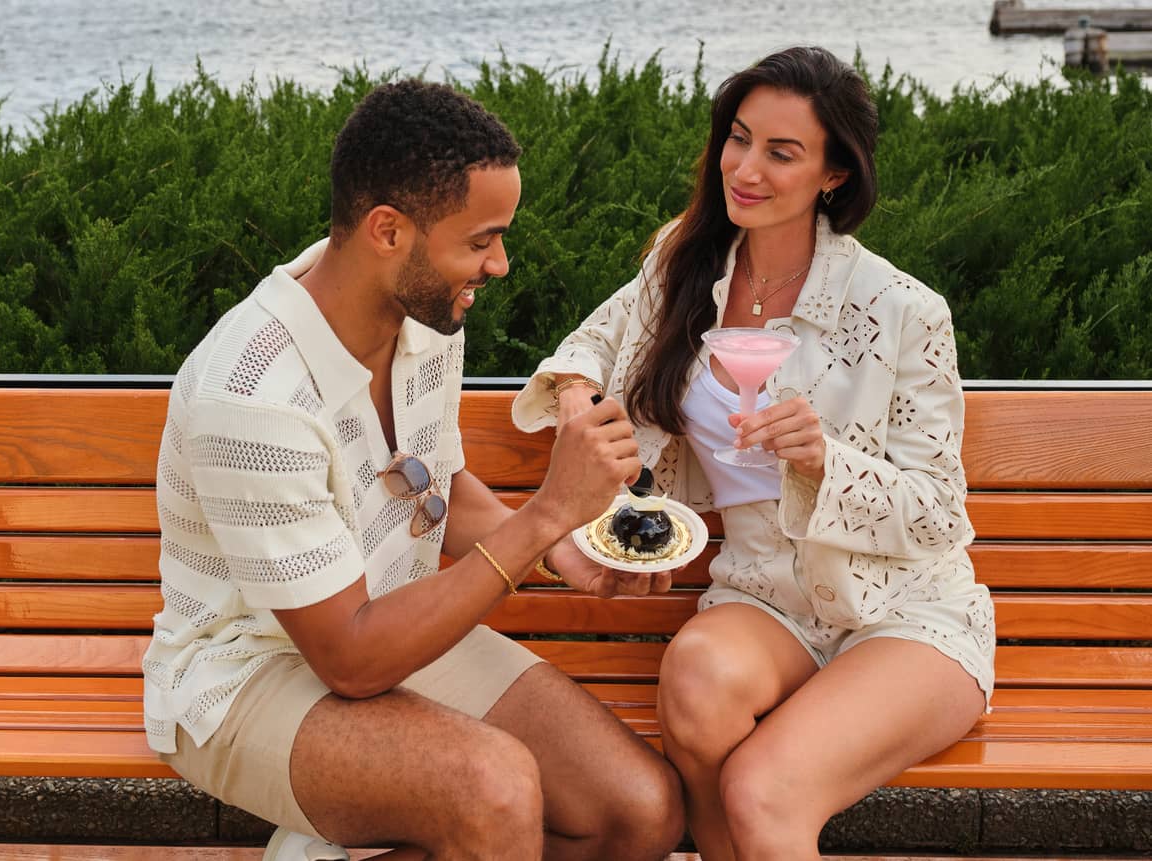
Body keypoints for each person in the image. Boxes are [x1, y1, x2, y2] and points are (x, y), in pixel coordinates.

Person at [147, 79, 685, 861]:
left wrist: (563, 547)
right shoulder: (254, 398)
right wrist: (543, 516)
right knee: (493, 792)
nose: (499, 264)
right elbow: (352, 659)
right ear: (388, 231)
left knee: (640, 811)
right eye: (480, 240)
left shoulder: (426, 315)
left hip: (398, 624)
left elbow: (434, 489)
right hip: (248, 675)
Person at [513, 47, 995, 860]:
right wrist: (576, 394)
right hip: (763, 598)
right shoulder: (685, 259)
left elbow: (939, 512)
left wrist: (825, 461)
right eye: (739, 139)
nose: (746, 168)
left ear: (834, 174)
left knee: (761, 791)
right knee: (696, 687)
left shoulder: (904, 310)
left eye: (782, 152)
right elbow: (591, 342)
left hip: (901, 614)